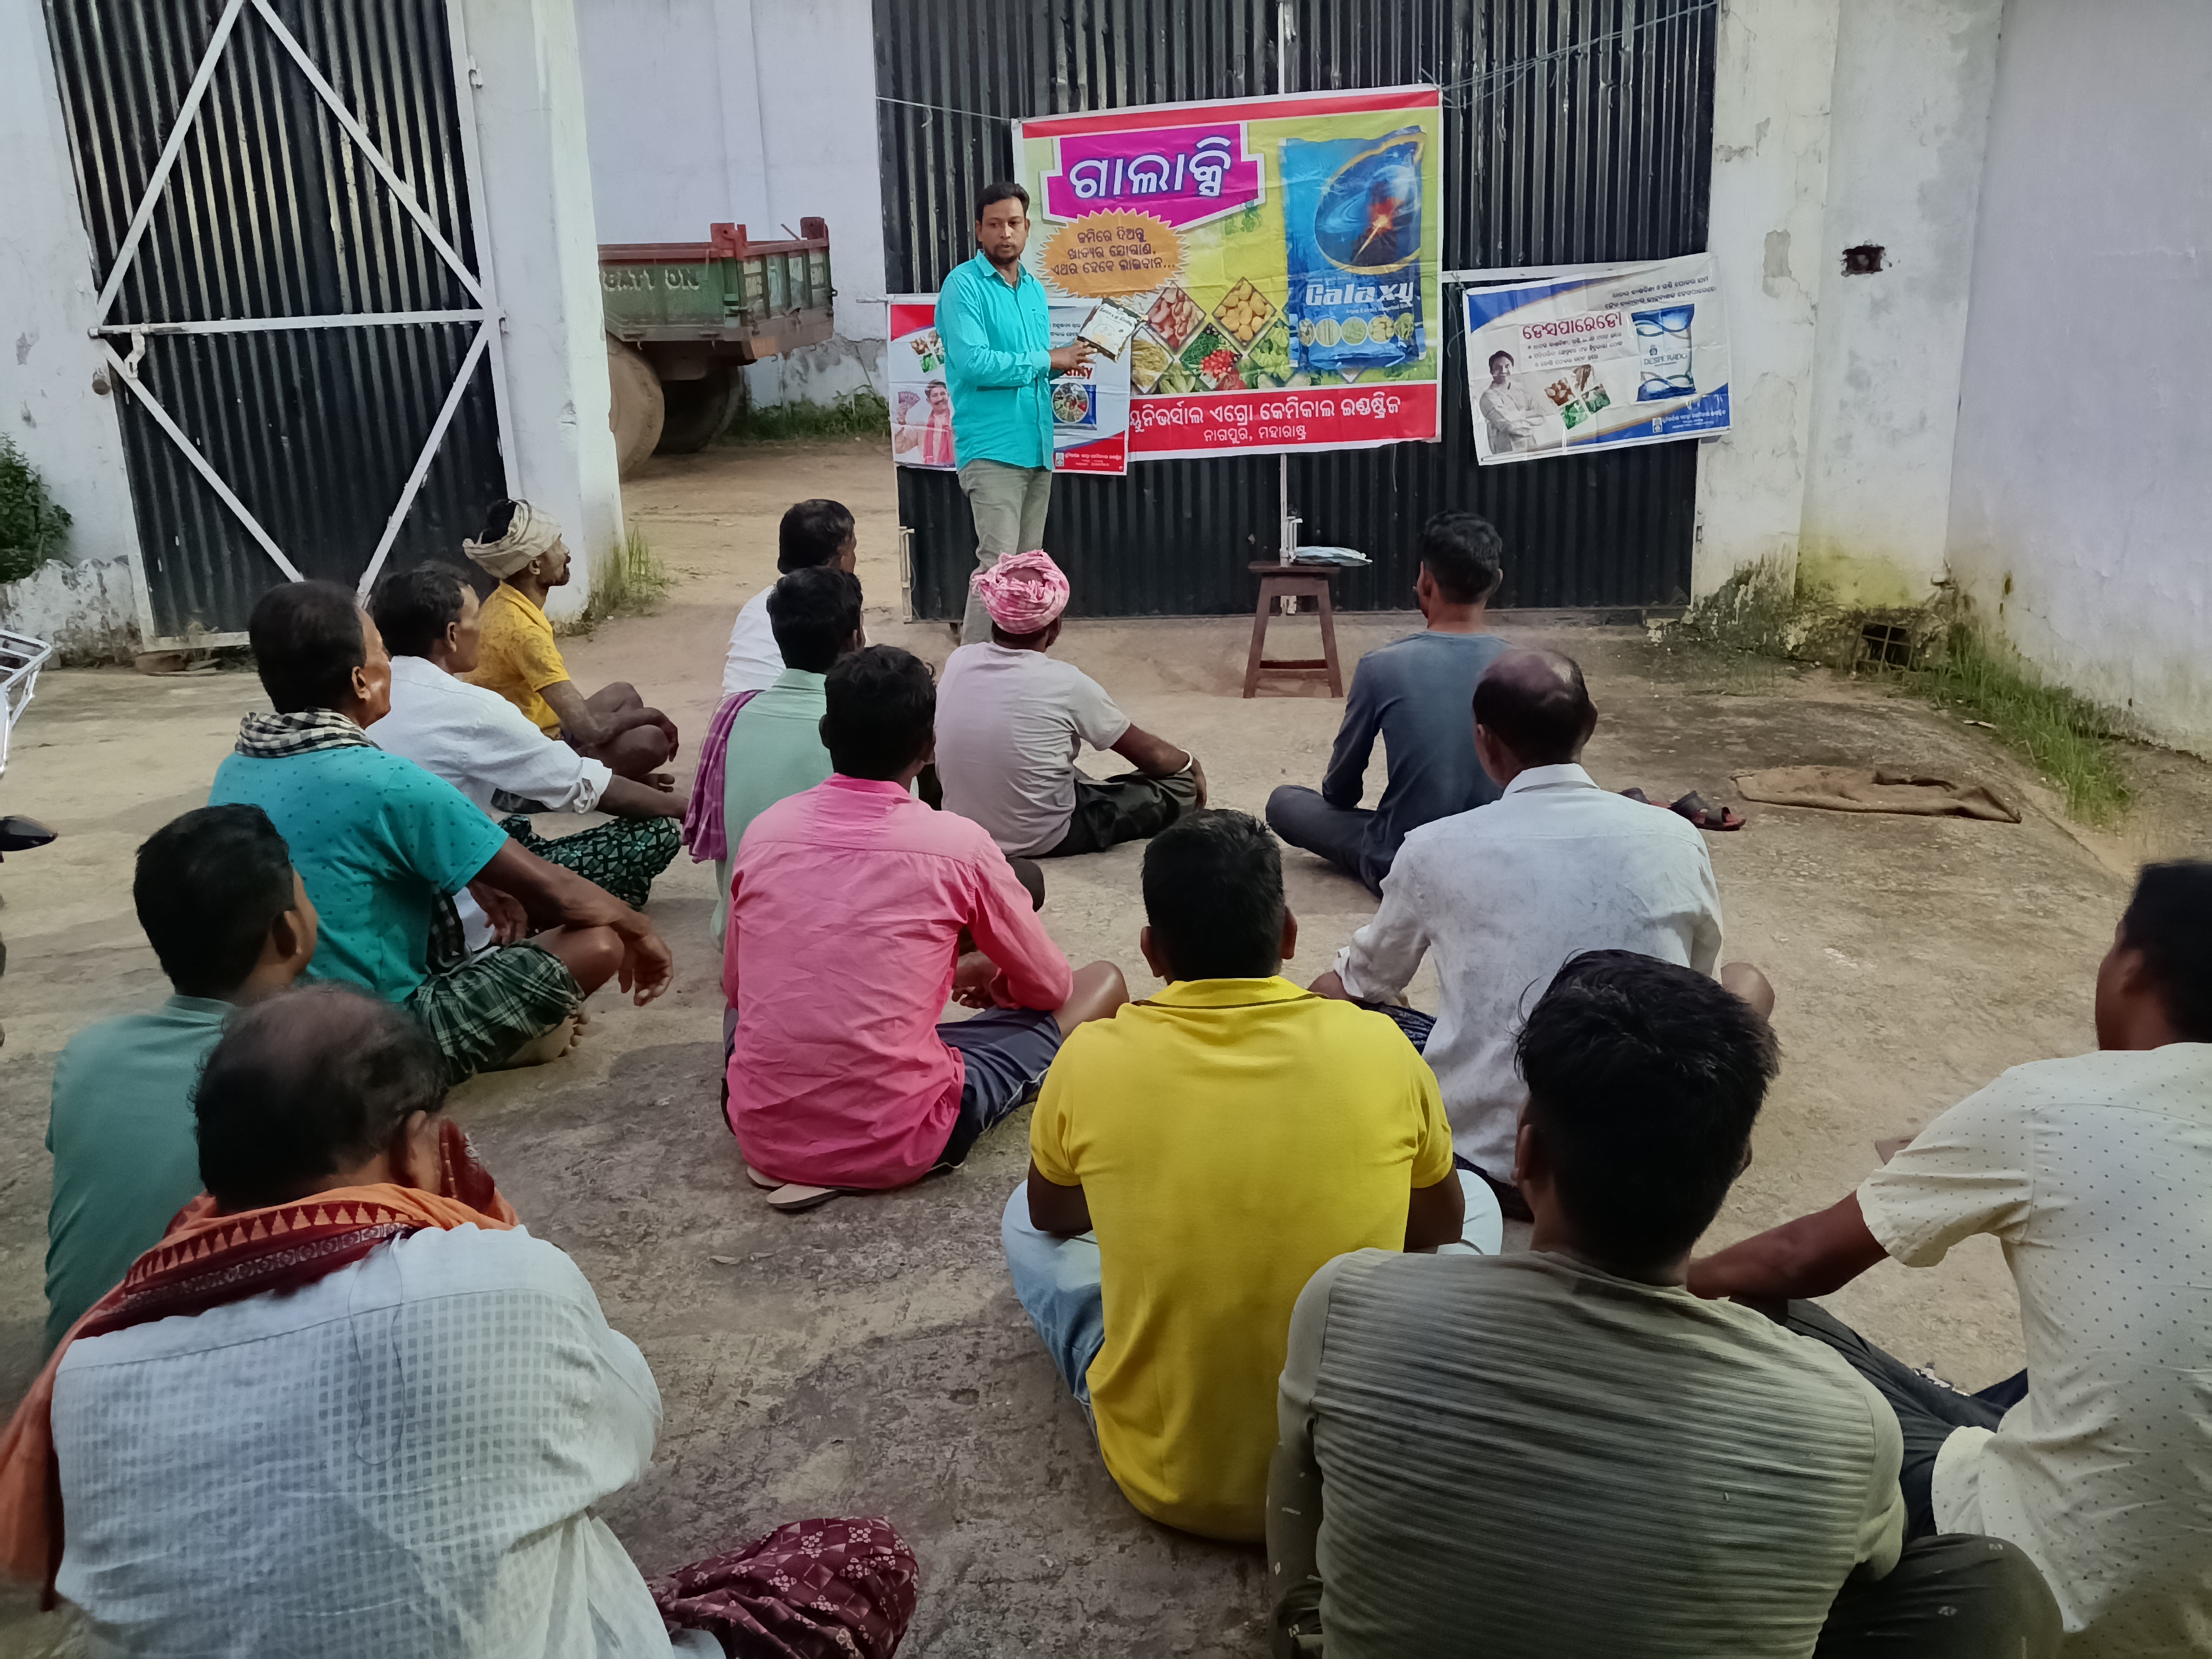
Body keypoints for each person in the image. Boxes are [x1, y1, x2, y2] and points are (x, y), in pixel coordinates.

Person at [3, 984, 918, 1657]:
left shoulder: (89, 1369)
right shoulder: (489, 1275)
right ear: (415, 1143)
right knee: (855, 1557)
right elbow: (629, 1427)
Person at [1269, 950, 2061, 1659]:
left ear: (1526, 1151)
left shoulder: (1349, 1303)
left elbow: (1307, 1506)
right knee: (1993, 1583)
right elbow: (1869, 1570)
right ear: (1736, 1166)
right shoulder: (1847, 1424)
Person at [1688, 860, 2212, 1657]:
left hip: (2042, 1586)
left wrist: (1661, 1279)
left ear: (2132, 965)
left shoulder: (2049, 1103)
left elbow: (1797, 1258)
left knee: (1774, 1322)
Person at [1004, 810, 1464, 1543]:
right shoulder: (1380, 1043)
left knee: (1021, 1222)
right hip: (1346, 1483)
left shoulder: (1089, 1056)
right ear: (1288, 935)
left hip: (1170, 1479)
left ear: (1152, 952)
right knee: (1467, 1202)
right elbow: (1438, 1226)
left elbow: (1054, 1216)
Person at [1312, 648, 1771, 1218]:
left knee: (1335, 998)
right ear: (1591, 724)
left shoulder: (1433, 848)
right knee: (1747, 984)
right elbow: (1695, 999)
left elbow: (1362, 982)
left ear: (1483, 741)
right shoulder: (1677, 837)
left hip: (1479, 1164)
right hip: (1637, 1163)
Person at [210, 581, 673, 1082]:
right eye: (381, 652)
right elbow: (559, 893)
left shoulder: (234, 770)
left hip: (267, 1035)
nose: (390, 663)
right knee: (599, 941)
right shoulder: (389, 781)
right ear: (362, 681)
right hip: (370, 1040)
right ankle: (480, 1047)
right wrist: (640, 930)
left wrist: (476, 874)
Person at [723, 645, 1126, 1201]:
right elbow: (1051, 989)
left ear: (825, 733)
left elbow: (737, 988)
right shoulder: (958, 844)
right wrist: (1000, 983)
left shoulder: (766, 833)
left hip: (760, 1130)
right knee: (1102, 983)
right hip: (900, 1136)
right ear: (930, 747)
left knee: (767, 1016)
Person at [42, 805, 315, 1352]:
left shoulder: (86, 1054)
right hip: (199, 1372)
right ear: (288, 931)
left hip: (70, 1367)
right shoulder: (314, 1069)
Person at [368, 563, 682, 911]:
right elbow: (583, 782)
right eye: (477, 619)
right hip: (468, 894)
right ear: (452, 635)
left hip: (401, 879)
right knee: (658, 831)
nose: (484, 629)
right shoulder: (472, 706)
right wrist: (692, 809)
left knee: (511, 829)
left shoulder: (367, 695)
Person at [1266, 512, 1513, 893]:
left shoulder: (1382, 666)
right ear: (1496, 582)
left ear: (1425, 581)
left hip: (1401, 860)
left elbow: (1341, 791)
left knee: (1284, 803)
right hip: (1496, 857)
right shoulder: (1526, 667)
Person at [935, 549, 1204, 858]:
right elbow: (1154, 758)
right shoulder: (1066, 683)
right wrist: (1189, 763)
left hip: (965, 829)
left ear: (995, 615)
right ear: (1055, 627)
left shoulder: (959, 661)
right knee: (1181, 786)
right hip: (1043, 836)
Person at [938, 181, 1096, 643]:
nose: (1005, 233)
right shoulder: (963, 286)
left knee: (1027, 571)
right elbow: (974, 364)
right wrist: (1048, 359)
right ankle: (969, 672)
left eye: (1013, 223)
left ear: (1027, 228)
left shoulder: (1033, 290)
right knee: (997, 568)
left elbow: (1030, 368)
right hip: (992, 449)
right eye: (994, 224)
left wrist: (1063, 364)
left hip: (1036, 445)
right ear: (978, 231)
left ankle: (1017, 669)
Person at [700, 565, 865, 946]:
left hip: (739, 938)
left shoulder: (736, 717)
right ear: (856, 638)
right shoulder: (857, 723)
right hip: (822, 947)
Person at [460, 498, 679, 780]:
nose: (566, 552)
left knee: (624, 693)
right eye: (557, 545)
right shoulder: (522, 631)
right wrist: (654, 715)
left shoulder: (505, 602)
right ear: (535, 565)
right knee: (652, 740)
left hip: (526, 733)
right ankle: (596, 785)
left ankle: (615, 780)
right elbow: (591, 730)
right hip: (530, 757)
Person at [721, 498, 859, 697]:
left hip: (736, 712)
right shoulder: (834, 611)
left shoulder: (755, 606)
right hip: (793, 711)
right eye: (852, 550)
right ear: (838, 560)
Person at [1478, 348, 1553, 454]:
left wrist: (1514, 416)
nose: (1504, 371)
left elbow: (1541, 414)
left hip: (1532, 448)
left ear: (1512, 368)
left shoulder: (1520, 391)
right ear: (1492, 372)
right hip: (1508, 453)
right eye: (1498, 368)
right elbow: (1508, 426)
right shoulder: (1488, 397)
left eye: (1507, 366)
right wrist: (1530, 417)